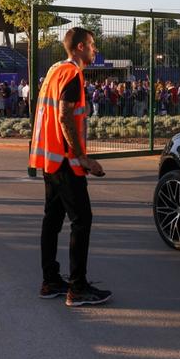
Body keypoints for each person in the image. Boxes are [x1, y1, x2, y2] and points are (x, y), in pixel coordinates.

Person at [30, 26, 112, 307]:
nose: (95, 49)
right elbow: (65, 117)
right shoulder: (73, 75)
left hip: (50, 161)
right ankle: (77, 288)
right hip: (66, 162)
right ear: (79, 47)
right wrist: (84, 158)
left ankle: (50, 281)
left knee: (51, 220)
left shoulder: (55, 70)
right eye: (91, 44)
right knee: (82, 220)